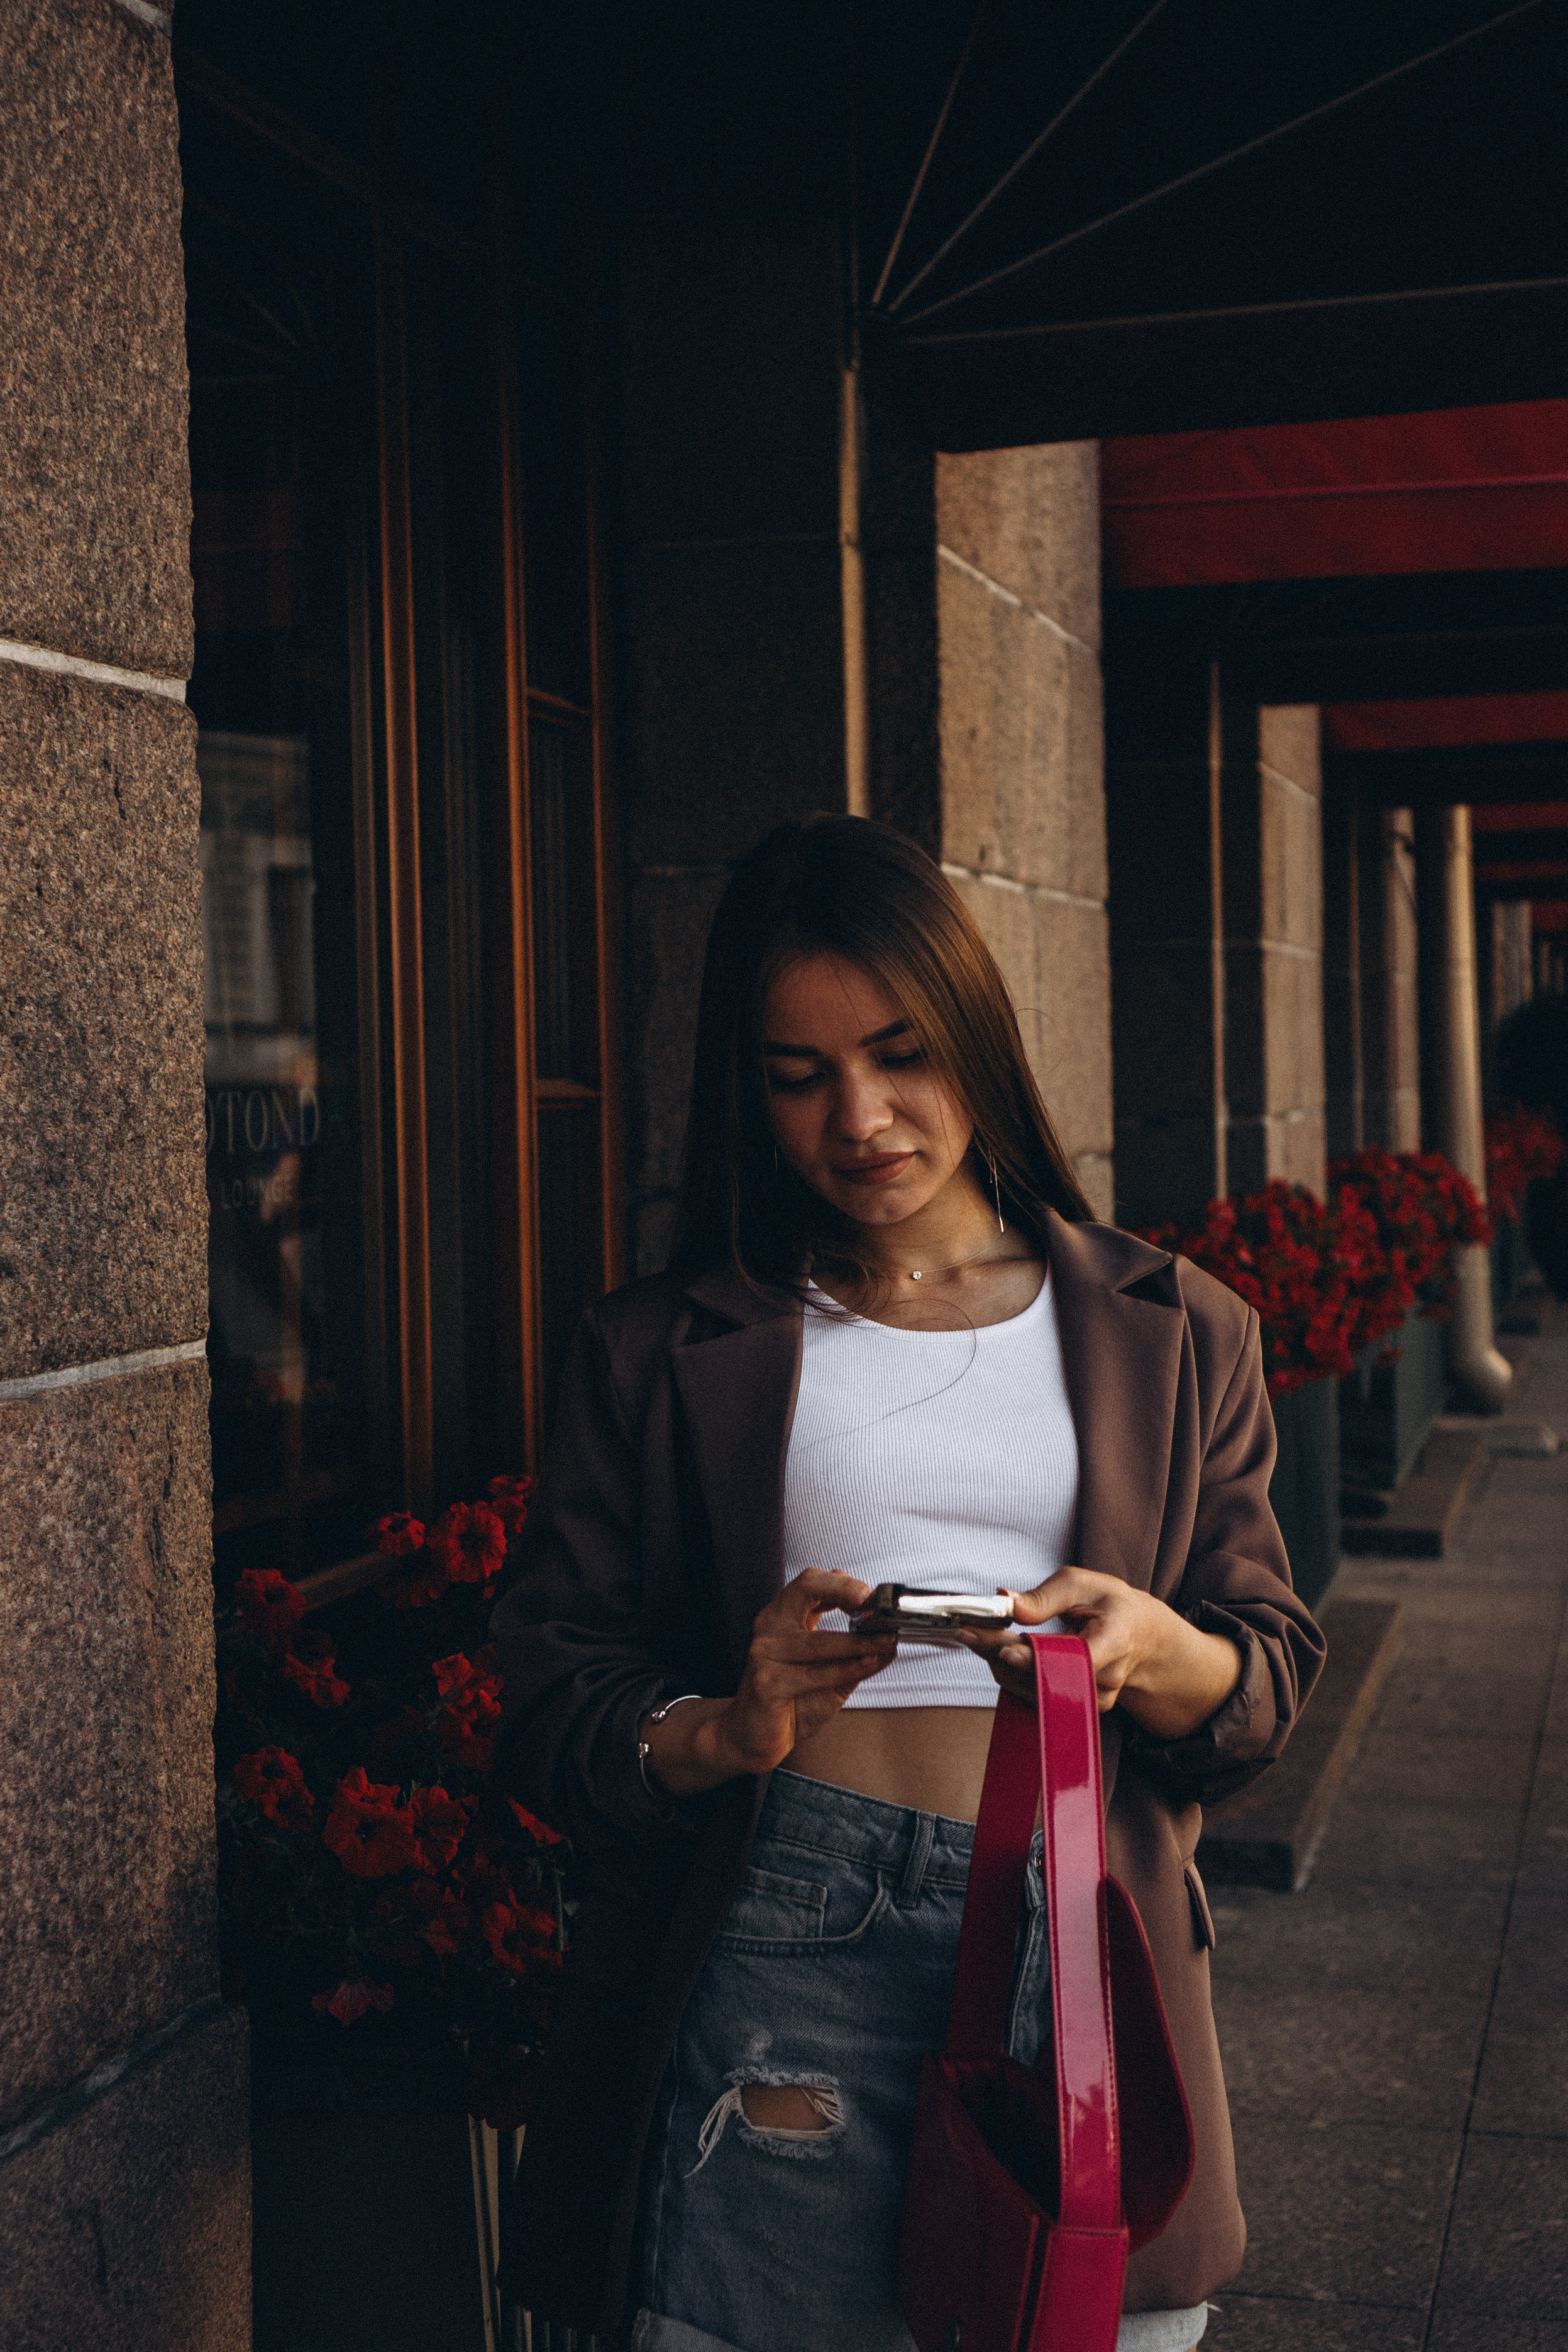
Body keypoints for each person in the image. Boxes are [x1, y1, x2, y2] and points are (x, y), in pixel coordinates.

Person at [493, 815, 1325, 2352]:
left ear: (975, 1033)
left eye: (900, 1052)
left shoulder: (1172, 1323)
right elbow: (553, 1685)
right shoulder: (660, 1344)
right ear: (744, 1088)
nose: (859, 1116)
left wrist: (1151, 1648)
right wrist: (721, 1726)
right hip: (781, 1917)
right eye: (797, 1072)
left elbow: (1263, 1666)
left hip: (1077, 1916)